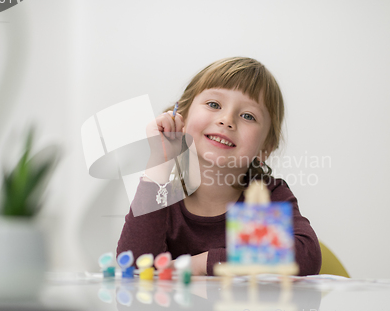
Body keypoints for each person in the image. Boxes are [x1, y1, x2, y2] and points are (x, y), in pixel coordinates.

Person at [116, 57, 321, 276]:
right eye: (214, 105)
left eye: (248, 116)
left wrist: (202, 263)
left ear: (265, 148)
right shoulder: (165, 196)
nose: (227, 119)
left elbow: (305, 256)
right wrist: (160, 160)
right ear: (180, 117)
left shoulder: (262, 198)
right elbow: (133, 266)